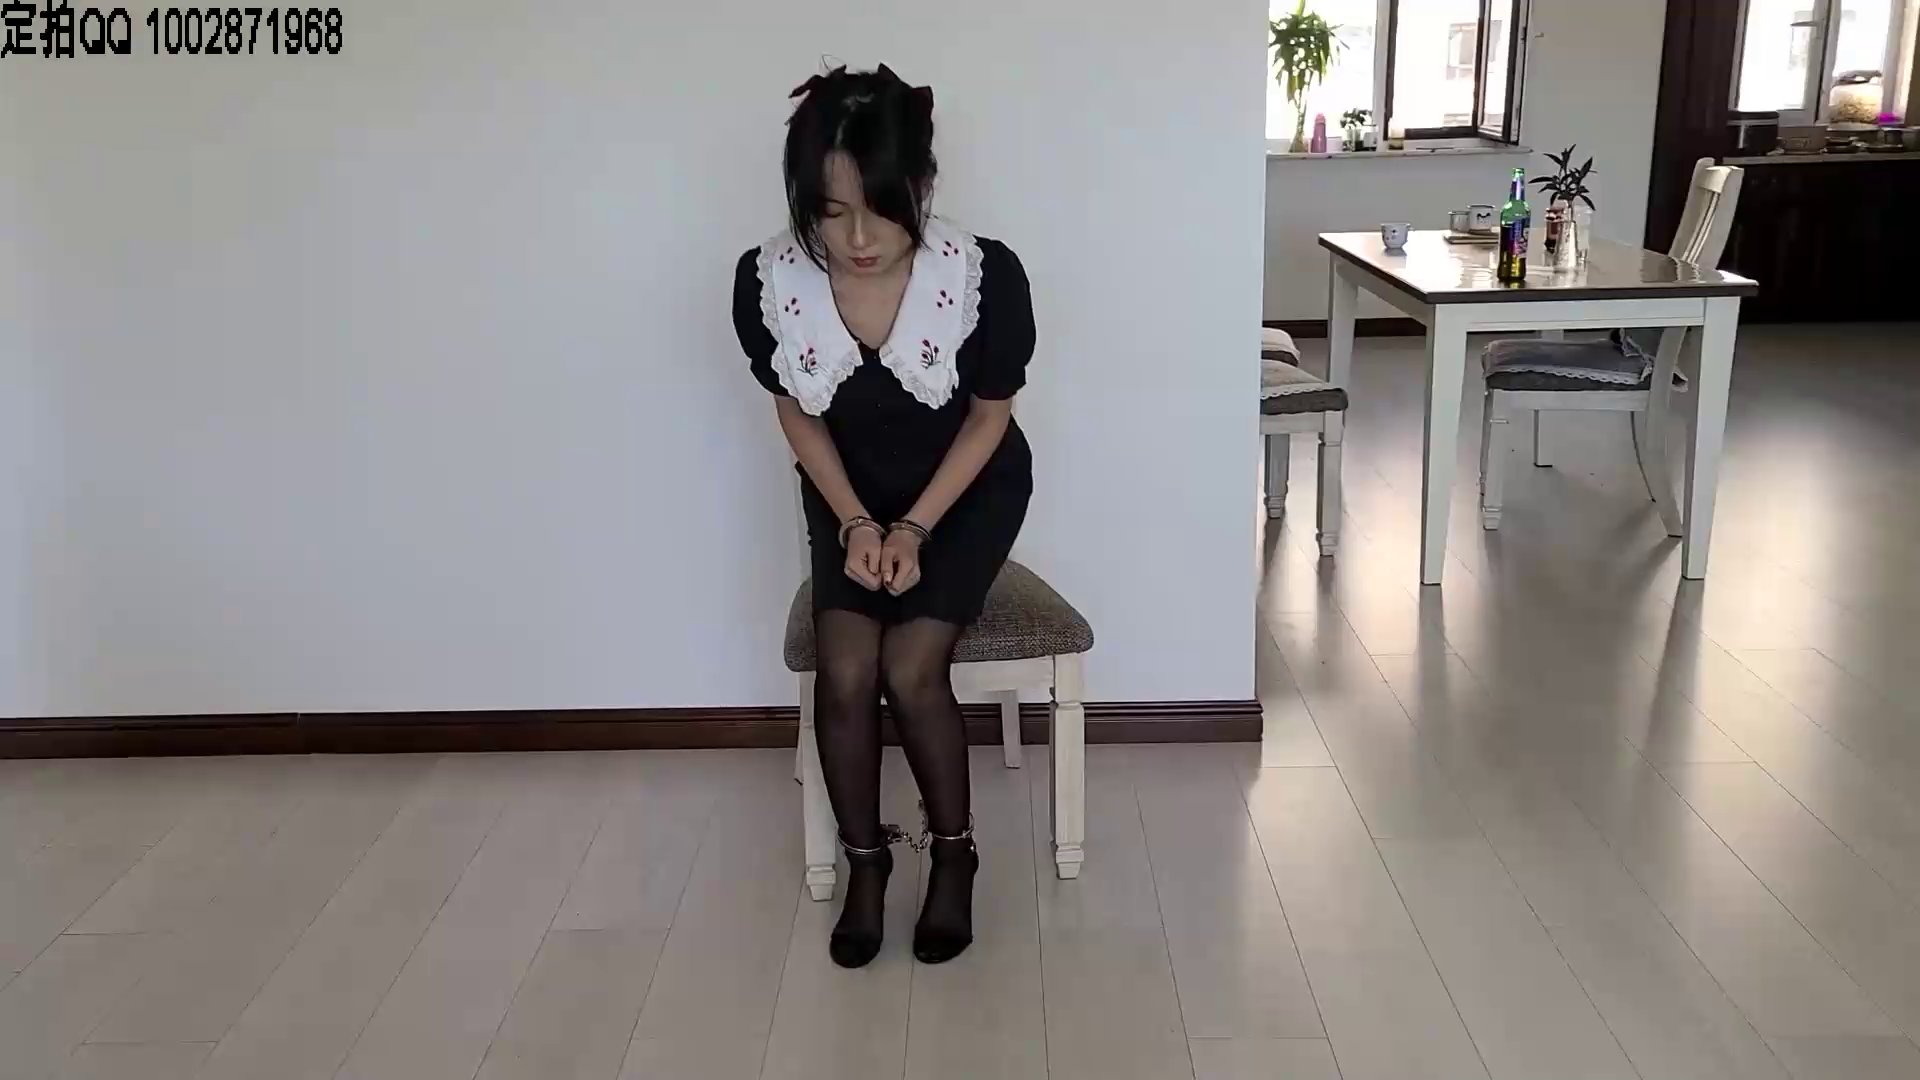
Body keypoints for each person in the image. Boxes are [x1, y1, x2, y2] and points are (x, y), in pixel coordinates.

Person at [731, 64, 1034, 968]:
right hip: (848, 495)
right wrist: (859, 524)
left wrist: (915, 529)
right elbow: (797, 414)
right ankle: (867, 865)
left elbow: (989, 419)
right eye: (830, 213)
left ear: (923, 185)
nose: (858, 239)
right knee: (846, 669)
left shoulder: (983, 274)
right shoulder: (768, 281)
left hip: (966, 490)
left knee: (909, 666)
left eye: (882, 208)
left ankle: (954, 855)